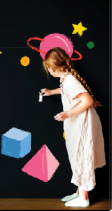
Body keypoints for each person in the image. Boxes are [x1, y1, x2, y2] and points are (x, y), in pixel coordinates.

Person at [40, 47, 106, 208]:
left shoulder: (70, 80)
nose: (48, 70)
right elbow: (66, 91)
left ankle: (84, 197)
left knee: (81, 156)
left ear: (53, 67)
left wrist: (67, 113)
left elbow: (87, 101)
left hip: (82, 123)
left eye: (48, 67)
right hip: (79, 123)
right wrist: (51, 92)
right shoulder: (66, 79)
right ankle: (79, 191)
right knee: (77, 155)